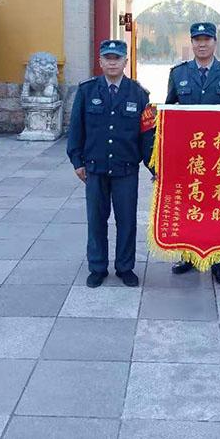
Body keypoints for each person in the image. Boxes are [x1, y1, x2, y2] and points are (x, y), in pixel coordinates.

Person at [67, 39, 154, 288]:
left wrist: (154, 167)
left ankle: (125, 266)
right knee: (96, 219)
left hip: (126, 169)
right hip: (94, 168)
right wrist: (77, 161)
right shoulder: (86, 91)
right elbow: (76, 130)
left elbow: (147, 135)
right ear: (100, 61)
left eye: (117, 58)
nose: (112, 62)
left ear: (126, 61)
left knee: (126, 220)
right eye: (108, 58)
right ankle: (97, 267)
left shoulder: (139, 94)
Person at [165, 21, 220, 286]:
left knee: (219, 207)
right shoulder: (178, 74)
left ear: (215, 43)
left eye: (207, 39)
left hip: (219, 156)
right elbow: (169, 113)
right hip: (189, 156)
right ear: (192, 42)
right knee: (190, 206)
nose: (201, 44)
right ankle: (189, 256)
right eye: (197, 39)